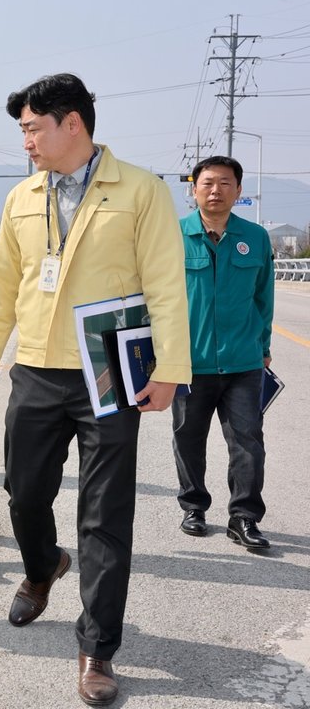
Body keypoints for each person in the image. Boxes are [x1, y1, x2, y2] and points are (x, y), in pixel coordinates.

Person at [0, 73, 190, 706]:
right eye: (23, 131)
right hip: (36, 366)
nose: (26, 142)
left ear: (73, 124)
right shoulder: (21, 197)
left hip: (108, 371)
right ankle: (42, 567)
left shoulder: (140, 190)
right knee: (23, 492)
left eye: (33, 129)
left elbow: (166, 283)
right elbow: (0, 287)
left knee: (105, 512)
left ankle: (97, 647)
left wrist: (170, 367)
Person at [172, 155, 275, 550]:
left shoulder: (256, 237)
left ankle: (244, 518)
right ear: (194, 189)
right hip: (189, 361)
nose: (216, 191)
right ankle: (193, 507)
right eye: (208, 183)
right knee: (188, 438)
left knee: (248, 441)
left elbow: (264, 297)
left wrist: (263, 347)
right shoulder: (173, 234)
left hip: (243, 361)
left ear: (238, 190)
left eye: (225, 183)